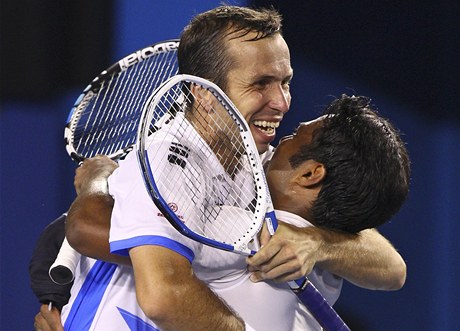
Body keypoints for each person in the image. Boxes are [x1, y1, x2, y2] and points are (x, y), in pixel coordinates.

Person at [32, 5, 407, 330]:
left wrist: (319, 243)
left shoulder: (263, 162)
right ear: (204, 94)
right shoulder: (169, 158)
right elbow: (91, 234)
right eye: (261, 83)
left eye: (285, 82)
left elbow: (393, 268)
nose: (282, 102)